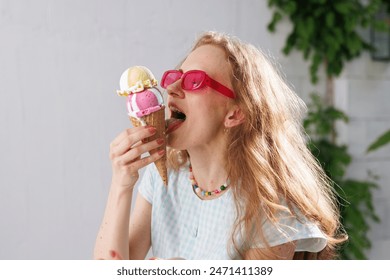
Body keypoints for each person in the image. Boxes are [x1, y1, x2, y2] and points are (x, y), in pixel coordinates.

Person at [94, 31, 346, 260]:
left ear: (235, 114)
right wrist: (121, 183)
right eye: (175, 76)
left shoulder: (271, 206)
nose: (171, 88)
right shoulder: (164, 177)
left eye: (194, 81)